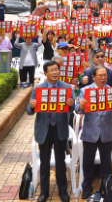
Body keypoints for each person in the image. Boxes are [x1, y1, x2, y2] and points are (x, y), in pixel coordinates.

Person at [27, 61, 75, 202]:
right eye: (51, 70)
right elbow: (29, 111)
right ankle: (44, 192)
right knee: (44, 162)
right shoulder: (38, 89)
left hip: (60, 128)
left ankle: (63, 191)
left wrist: (71, 105)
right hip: (44, 130)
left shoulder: (67, 88)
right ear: (45, 73)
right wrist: (32, 105)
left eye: (56, 70)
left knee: (61, 162)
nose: (54, 73)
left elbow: (73, 109)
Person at [76, 66, 112, 199]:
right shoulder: (85, 91)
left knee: (106, 163)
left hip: (106, 132)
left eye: (105, 75)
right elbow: (78, 110)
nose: (103, 78)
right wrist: (81, 105)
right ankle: (87, 186)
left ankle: (107, 187)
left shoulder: (111, 91)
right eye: (100, 75)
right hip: (90, 132)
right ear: (94, 77)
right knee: (87, 162)